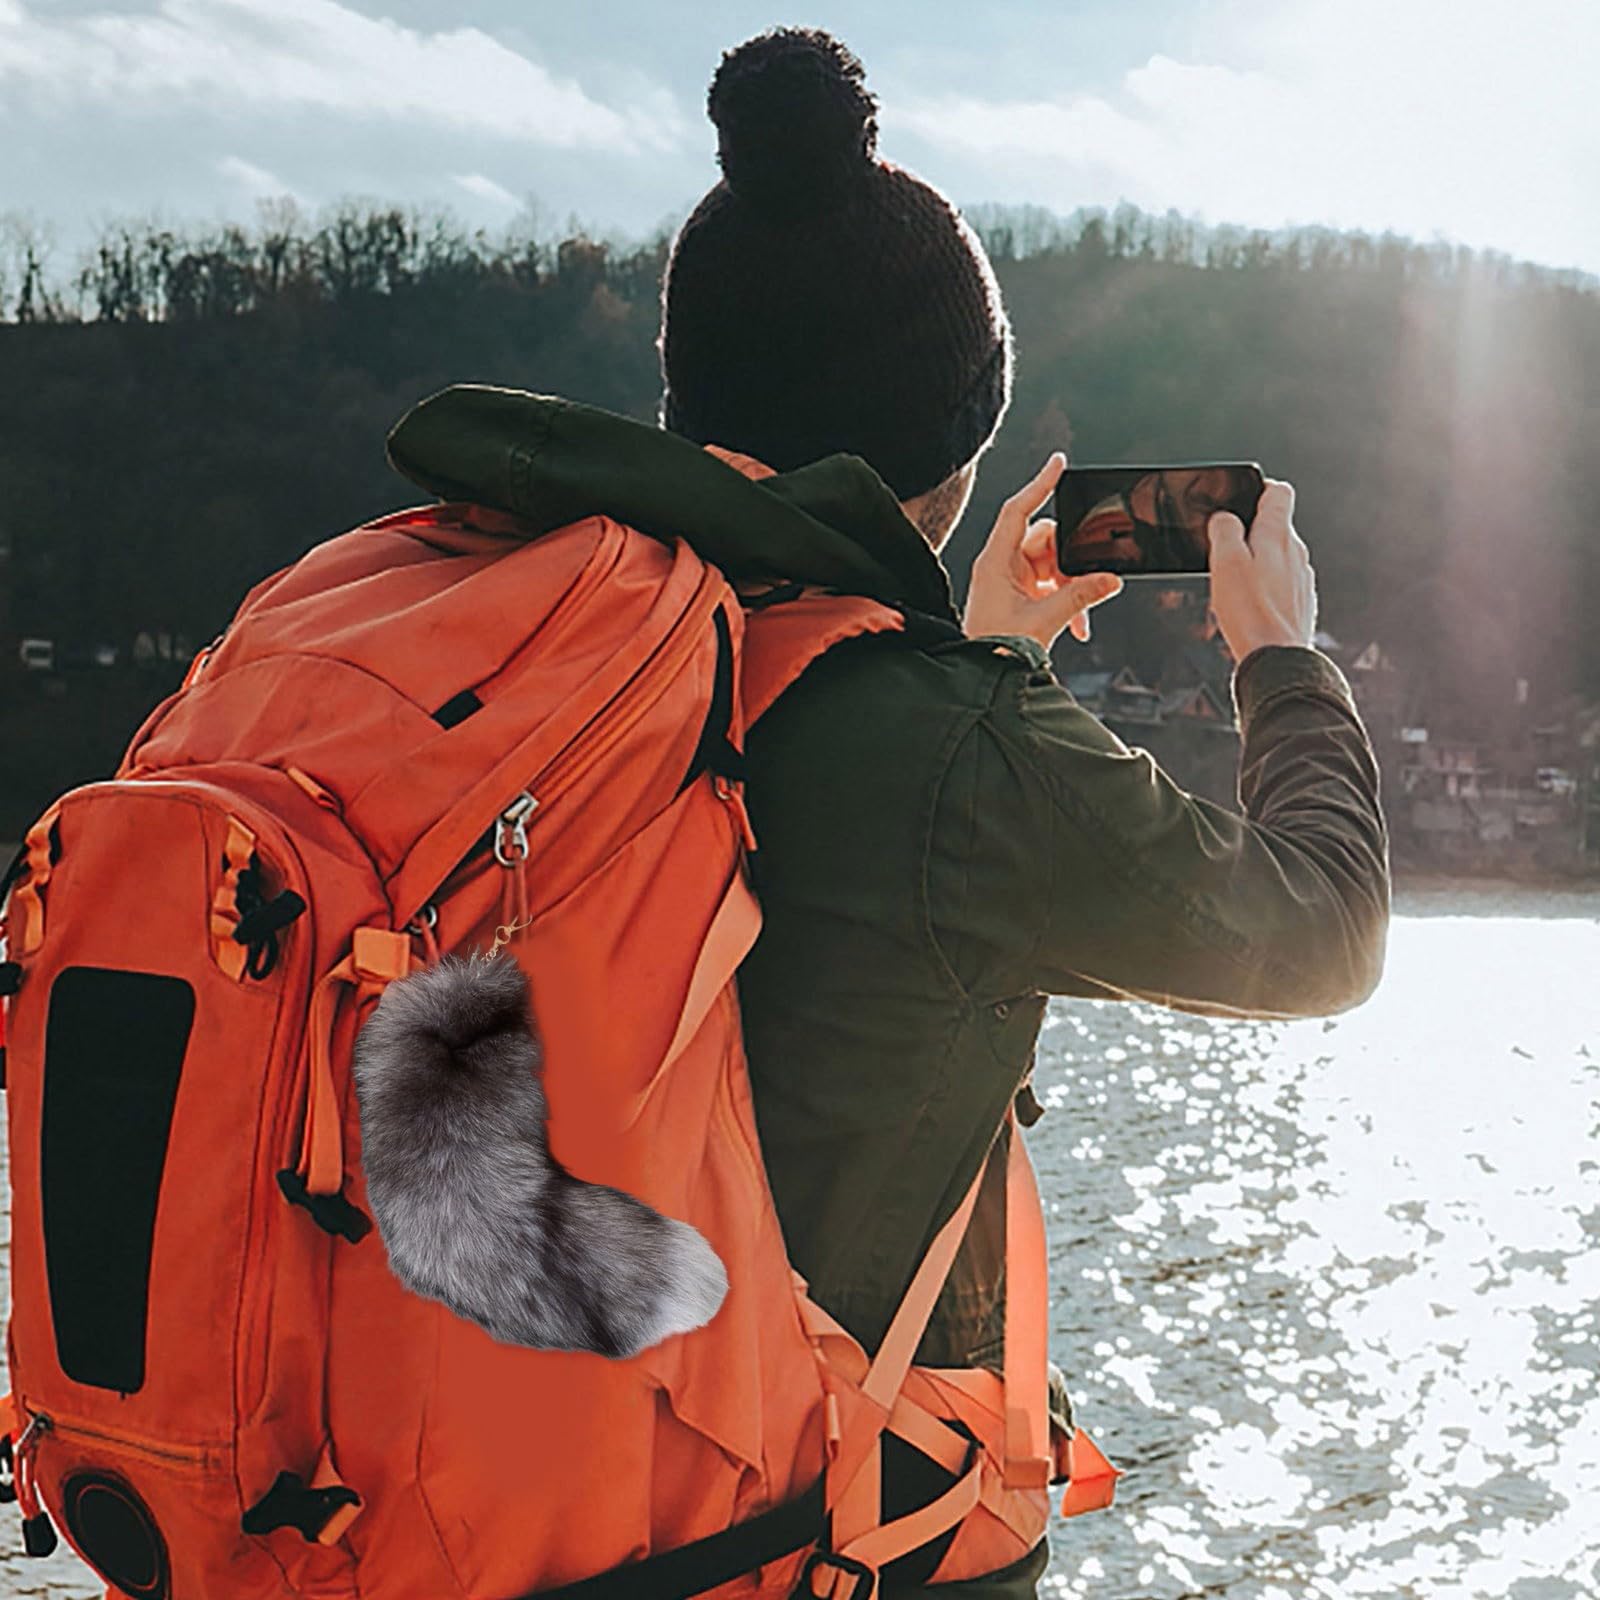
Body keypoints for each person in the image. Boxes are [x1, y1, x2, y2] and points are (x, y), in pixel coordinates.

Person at [661, 27, 1388, 1598]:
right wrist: (1280, 659)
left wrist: (982, 652)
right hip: (821, 1544)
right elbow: (1324, 931)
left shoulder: (584, 662)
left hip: (523, 1517)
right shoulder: (956, 754)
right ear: (948, 458)